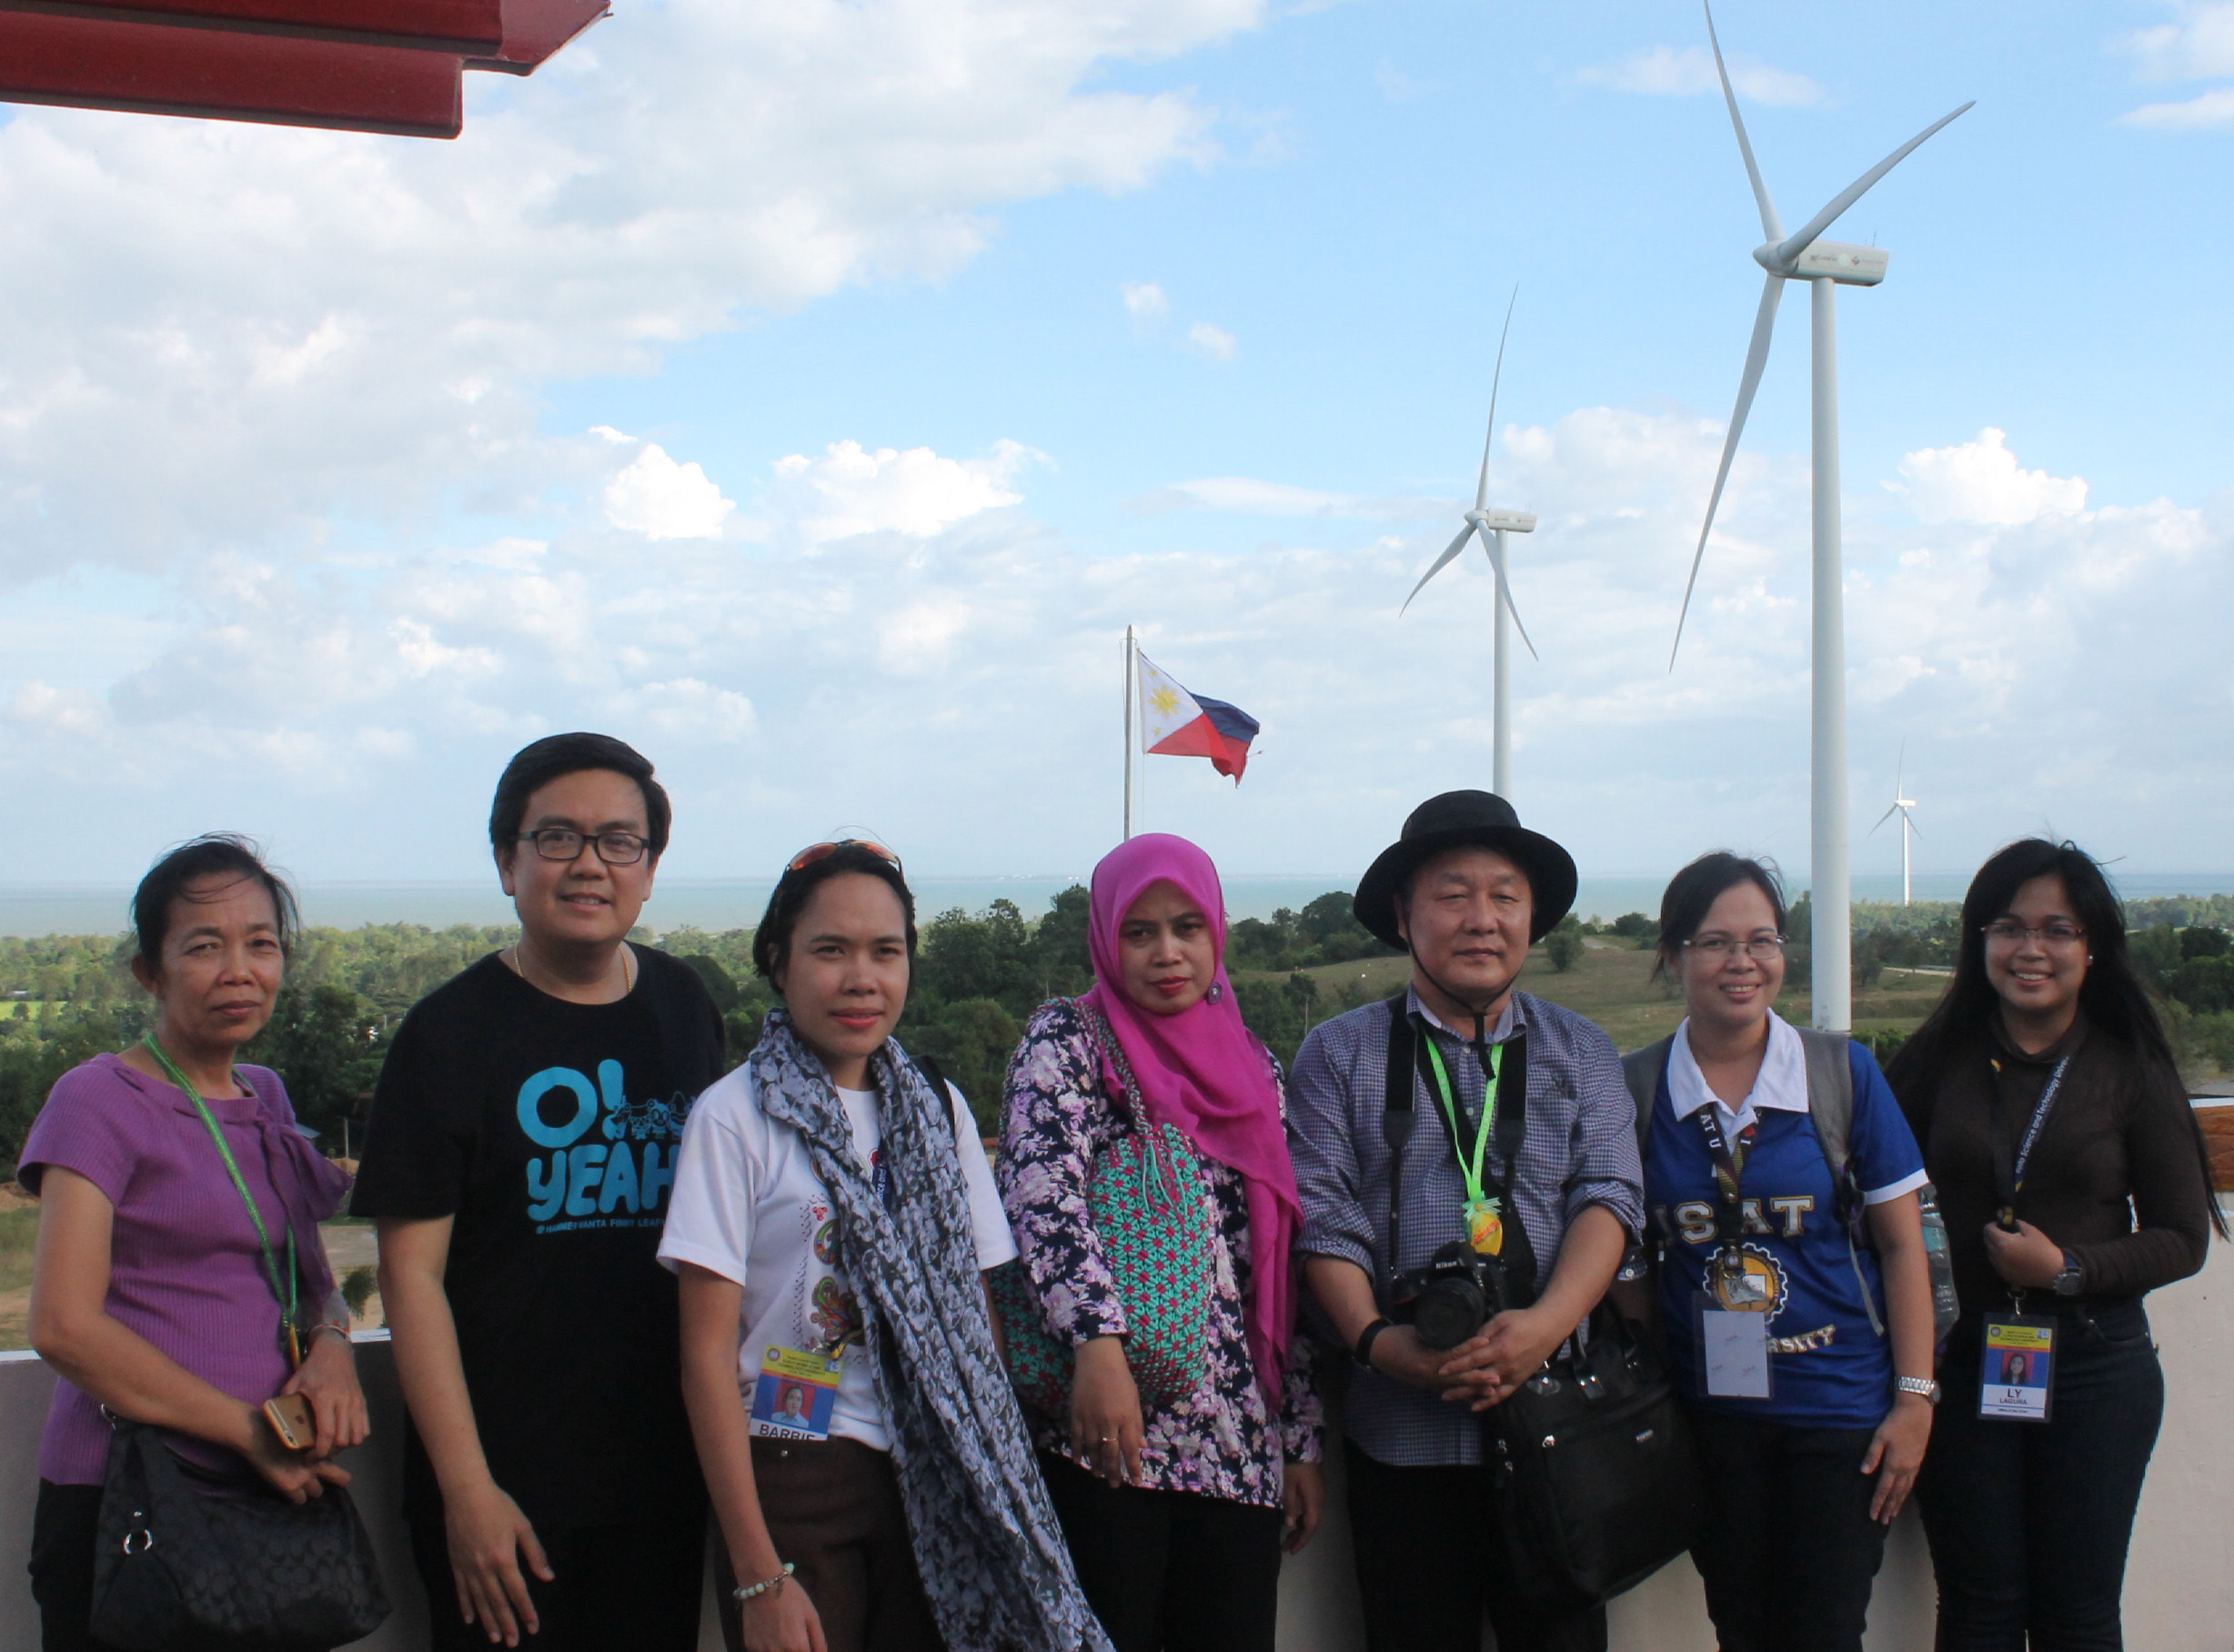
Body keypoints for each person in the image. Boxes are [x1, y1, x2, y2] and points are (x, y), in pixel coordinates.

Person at [659, 840, 1108, 1652]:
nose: (861, 978)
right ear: (778, 959)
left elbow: (977, 1312)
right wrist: (759, 1575)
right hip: (795, 1465)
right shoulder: (735, 1119)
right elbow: (704, 1357)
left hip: (934, 1464)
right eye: (829, 950)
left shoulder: (936, 1110)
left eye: (885, 951)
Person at [353, 733, 725, 1651]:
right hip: (505, 1489)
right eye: (556, 837)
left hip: (660, 1479)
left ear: (648, 867)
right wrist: (466, 1488)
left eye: (618, 841)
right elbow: (412, 1280)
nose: (589, 864)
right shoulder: (446, 1037)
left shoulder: (685, 1007)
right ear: (506, 860)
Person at [1286, 791, 1643, 1652]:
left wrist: (1544, 1327)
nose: (1481, 919)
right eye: (1453, 894)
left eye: (1505, 896)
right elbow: (1323, 1223)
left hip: (1560, 1432)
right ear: (1405, 916)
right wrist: (1379, 1344)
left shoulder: (1581, 1049)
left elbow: (1610, 1198)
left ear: (1532, 917)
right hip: (1402, 1438)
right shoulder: (1340, 1054)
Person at [24, 835, 365, 1651]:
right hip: (132, 1496)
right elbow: (62, 1326)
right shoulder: (100, 1098)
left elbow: (304, 1274)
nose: (239, 970)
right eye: (204, 947)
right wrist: (249, 1431)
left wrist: (334, 1346)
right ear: (151, 971)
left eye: (261, 944)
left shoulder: (267, 1094)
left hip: (268, 1488)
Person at [1885, 839, 2223, 1651]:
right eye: (2007, 927)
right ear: (1980, 943)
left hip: (2098, 1370)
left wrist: (2068, 1270)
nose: (2030, 949)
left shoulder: (2129, 1069)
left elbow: (2183, 1238)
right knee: (1978, 1607)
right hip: (1962, 1363)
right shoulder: (1937, 1062)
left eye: (2057, 930)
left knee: (2078, 1613)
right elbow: (1879, 1200)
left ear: (2092, 947)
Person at [997, 833, 1325, 1652]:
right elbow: (1043, 1200)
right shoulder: (1067, 1042)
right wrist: (1097, 1350)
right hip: (1109, 1436)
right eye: (1139, 932)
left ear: (1218, 933)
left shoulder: (1255, 1068)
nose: (1167, 953)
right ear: (1107, 939)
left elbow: (1279, 1262)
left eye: (1187, 927)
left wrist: (1298, 1438)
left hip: (1237, 1449)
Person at [1625, 853, 1937, 1652]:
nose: (1742, 963)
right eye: (1714, 942)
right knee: (1743, 1631)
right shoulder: (1639, 1090)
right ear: (1673, 956)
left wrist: (1913, 1401)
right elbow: (1624, 1255)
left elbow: (1906, 1247)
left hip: (1841, 1417)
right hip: (1711, 1422)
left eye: (1761, 940)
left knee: (1825, 1633)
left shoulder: (1842, 1075)